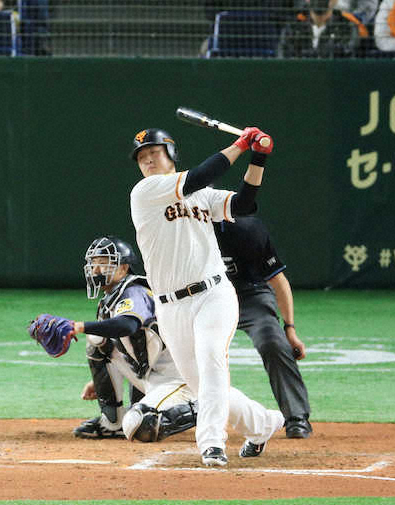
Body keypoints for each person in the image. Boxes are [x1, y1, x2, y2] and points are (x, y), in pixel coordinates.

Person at [128, 127, 285, 467]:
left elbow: (244, 205)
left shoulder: (202, 195)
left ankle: (211, 443)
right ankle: (264, 423)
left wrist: (258, 158)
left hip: (213, 294)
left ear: (171, 154)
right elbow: (201, 174)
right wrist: (241, 145)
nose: (148, 160)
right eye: (142, 157)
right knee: (204, 387)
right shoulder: (145, 192)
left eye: (154, 152)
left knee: (212, 358)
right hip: (170, 308)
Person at [70, 236, 198, 443]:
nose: (96, 270)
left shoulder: (135, 292)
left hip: (178, 378)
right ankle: (112, 423)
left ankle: (204, 407)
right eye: (94, 263)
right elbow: (125, 345)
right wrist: (102, 381)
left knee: (140, 425)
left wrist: (80, 327)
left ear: (123, 268)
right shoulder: (113, 297)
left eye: (104, 263)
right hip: (152, 374)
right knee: (98, 340)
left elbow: (127, 325)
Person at [214, 216, 314, 438]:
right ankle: (158, 410)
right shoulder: (184, 227)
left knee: (272, 342)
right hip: (206, 298)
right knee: (175, 345)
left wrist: (289, 329)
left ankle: (296, 416)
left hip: (250, 296)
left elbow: (278, 280)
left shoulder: (246, 229)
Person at [277, 0, 362, 57]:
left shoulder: (348, 28)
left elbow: (348, 61)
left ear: (335, 1)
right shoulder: (293, 28)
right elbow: (283, 60)